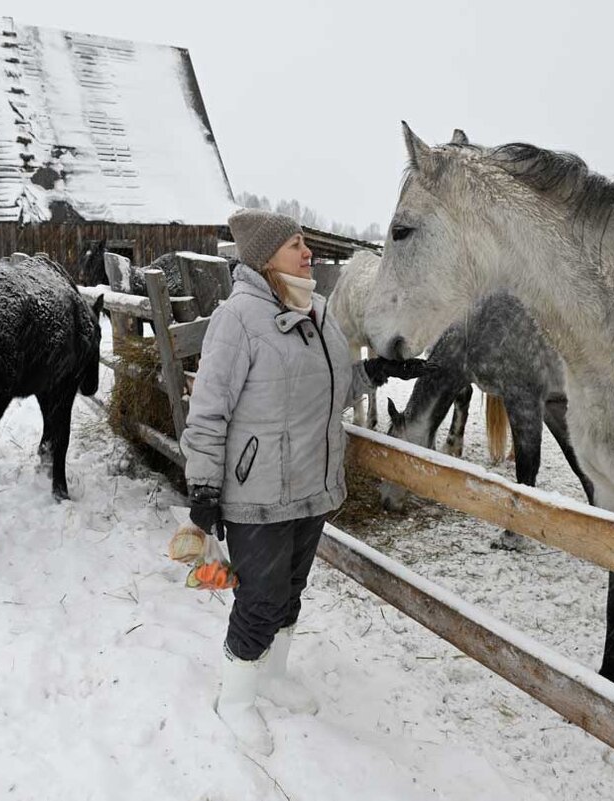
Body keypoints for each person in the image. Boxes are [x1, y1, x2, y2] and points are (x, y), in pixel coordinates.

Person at [180, 208, 426, 754]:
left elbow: (330, 393)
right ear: (266, 258)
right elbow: (209, 411)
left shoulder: (317, 310)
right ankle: (237, 699)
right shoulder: (238, 318)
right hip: (258, 492)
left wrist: (378, 373)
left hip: (311, 487)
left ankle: (271, 675)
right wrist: (203, 487)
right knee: (260, 599)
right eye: (295, 244)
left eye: (305, 243)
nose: (307, 252)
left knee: (290, 591)